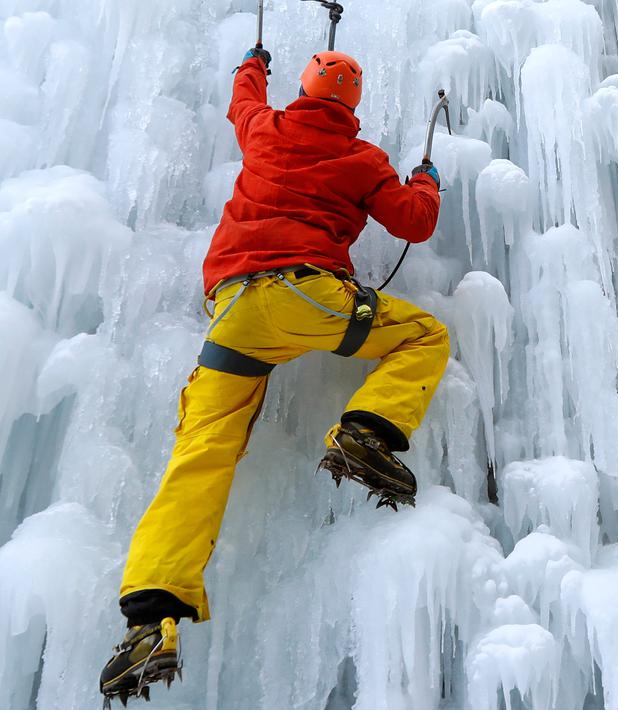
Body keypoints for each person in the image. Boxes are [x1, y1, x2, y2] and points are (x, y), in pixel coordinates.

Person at [98, 46, 449, 704]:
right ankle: (364, 435)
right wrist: (425, 176)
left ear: (306, 90)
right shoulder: (363, 159)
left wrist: (252, 63)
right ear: (351, 105)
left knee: (201, 453)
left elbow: (242, 98)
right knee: (425, 336)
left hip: (232, 313)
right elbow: (414, 222)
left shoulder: (265, 125)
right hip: (306, 295)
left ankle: (151, 617)